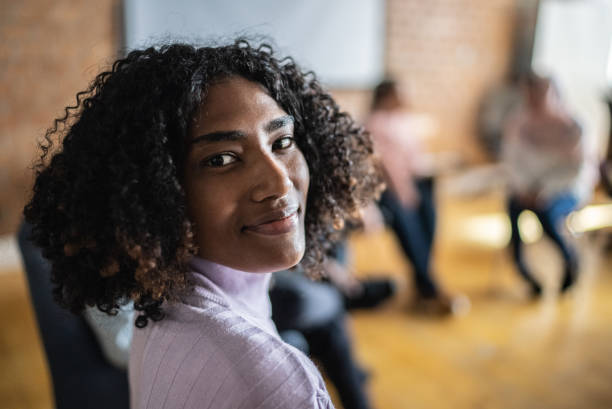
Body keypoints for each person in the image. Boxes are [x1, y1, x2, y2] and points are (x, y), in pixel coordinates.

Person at [23, 39, 382, 409]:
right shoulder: (276, 384)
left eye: (282, 141)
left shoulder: (159, 309)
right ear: (157, 190)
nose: (279, 183)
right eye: (222, 159)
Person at [365, 79, 464, 315]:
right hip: (395, 188)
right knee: (412, 234)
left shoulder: (404, 119)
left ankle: (424, 283)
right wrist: (403, 192)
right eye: (399, 94)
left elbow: (416, 153)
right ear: (386, 96)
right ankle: (431, 288)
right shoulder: (374, 123)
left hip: (421, 181)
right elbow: (385, 165)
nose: (405, 98)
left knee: (429, 231)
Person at [501, 73, 595, 296]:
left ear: (555, 95)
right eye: (530, 95)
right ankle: (524, 272)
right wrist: (525, 188)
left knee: (546, 213)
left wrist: (544, 190)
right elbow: (512, 161)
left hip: (565, 190)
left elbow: (577, 170)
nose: (534, 100)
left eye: (540, 94)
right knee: (513, 210)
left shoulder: (574, 126)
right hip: (526, 189)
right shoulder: (518, 123)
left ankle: (569, 261)